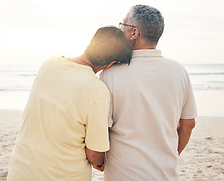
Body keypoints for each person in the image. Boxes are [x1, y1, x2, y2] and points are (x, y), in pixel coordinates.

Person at [7, 26, 132, 181]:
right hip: (61, 175)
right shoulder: (98, 91)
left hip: (21, 168)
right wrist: (100, 162)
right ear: (110, 64)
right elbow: (94, 154)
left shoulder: (49, 63)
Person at [100, 5, 197, 181]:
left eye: (123, 25)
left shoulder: (110, 74)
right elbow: (188, 123)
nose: (120, 30)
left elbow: (101, 128)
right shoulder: (178, 70)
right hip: (165, 174)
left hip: (123, 175)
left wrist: (98, 160)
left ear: (134, 33)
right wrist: (170, 156)